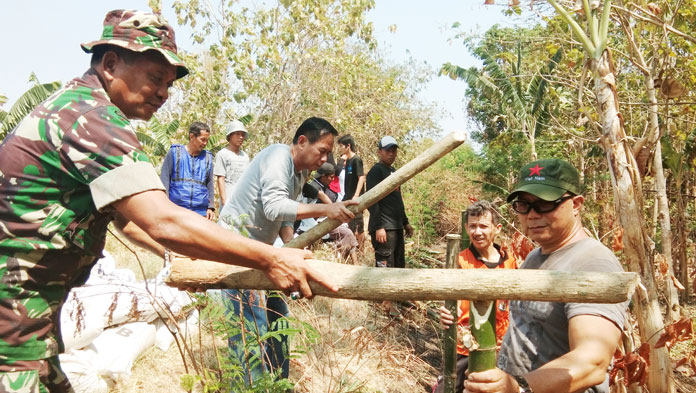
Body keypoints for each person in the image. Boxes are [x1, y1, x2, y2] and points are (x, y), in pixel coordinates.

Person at [0, 10, 334, 392]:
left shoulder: (83, 109)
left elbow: (128, 221)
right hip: (12, 326)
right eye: (155, 78)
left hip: (29, 323)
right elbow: (163, 221)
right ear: (110, 63)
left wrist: (185, 262)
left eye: (169, 84)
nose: (164, 92)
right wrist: (272, 258)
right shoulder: (92, 121)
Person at [464, 159, 628, 393]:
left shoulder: (593, 263)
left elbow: (593, 362)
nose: (532, 214)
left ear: (576, 204)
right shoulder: (534, 257)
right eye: (524, 205)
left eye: (544, 204)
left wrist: (518, 387)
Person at [218, 117, 357, 385]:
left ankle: (279, 383)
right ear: (302, 141)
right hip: (235, 248)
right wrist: (326, 209)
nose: (326, 158)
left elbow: (283, 218)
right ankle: (254, 387)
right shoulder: (278, 157)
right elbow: (273, 207)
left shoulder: (300, 171)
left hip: (264, 252)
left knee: (280, 318)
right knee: (251, 327)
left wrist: (290, 247)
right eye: (323, 150)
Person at [433, 200, 517, 393]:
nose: (477, 232)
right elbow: (448, 299)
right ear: (466, 228)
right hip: (465, 347)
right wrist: (445, 312)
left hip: (501, 348)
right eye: (472, 226)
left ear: (497, 228)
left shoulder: (509, 261)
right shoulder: (460, 260)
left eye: (483, 226)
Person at [366, 136, 413, 269]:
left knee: (398, 265)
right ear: (380, 152)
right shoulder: (376, 171)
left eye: (394, 150)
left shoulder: (393, 172)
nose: (391, 154)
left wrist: (405, 222)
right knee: (385, 267)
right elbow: (371, 201)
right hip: (384, 229)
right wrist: (379, 227)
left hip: (396, 226)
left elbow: (397, 199)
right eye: (388, 150)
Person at [304, 163, 360, 264]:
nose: (332, 180)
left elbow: (325, 199)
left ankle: (349, 261)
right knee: (347, 233)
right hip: (314, 223)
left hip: (326, 219)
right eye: (330, 177)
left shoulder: (322, 188)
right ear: (323, 176)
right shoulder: (314, 187)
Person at [160, 121, 215, 219]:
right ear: (192, 136)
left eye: (207, 140)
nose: (205, 143)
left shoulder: (207, 157)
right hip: (176, 209)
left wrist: (210, 207)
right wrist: (164, 204)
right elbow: (164, 179)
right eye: (202, 139)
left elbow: (210, 184)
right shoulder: (175, 153)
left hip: (200, 212)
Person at [338, 134, 366, 247]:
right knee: (350, 225)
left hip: (356, 199)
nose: (339, 149)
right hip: (347, 197)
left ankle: (361, 251)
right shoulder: (347, 161)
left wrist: (356, 195)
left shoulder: (356, 160)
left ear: (348, 146)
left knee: (358, 226)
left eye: (341, 146)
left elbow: (361, 178)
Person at [214, 119, 250, 207]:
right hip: (229, 196)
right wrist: (224, 201)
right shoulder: (223, 154)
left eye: (242, 135)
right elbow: (220, 179)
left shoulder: (245, 156)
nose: (241, 137)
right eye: (237, 134)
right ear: (230, 136)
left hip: (243, 197)